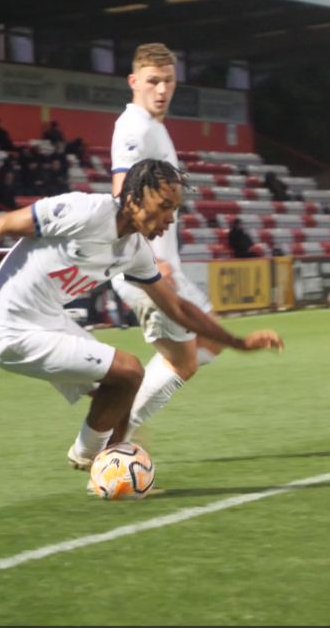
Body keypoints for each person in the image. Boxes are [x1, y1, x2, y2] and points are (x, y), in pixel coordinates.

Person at [0, 159, 283, 481]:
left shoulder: (134, 250)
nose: (170, 218)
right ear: (133, 197)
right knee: (131, 371)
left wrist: (239, 342)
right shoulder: (85, 211)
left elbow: (178, 309)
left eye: (175, 209)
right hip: (8, 327)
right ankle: (92, 458)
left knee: (116, 396)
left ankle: (112, 468)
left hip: (49, 322)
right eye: (165, 205)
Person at [108, 43, 233, 444]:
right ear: (134, 82)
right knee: (184, 360)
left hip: (161, 266)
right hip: (148, 269)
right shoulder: (134, 127)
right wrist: (149, 264)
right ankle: (113, 440)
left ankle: (119, 431)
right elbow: (121, 196)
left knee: (206, 343)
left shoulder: (153, 126)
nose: (161, 89)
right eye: (152, 81)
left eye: (168, 81)